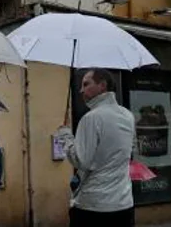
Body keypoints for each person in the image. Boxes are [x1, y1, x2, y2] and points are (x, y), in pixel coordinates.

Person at [63, 68, 135, 227]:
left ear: (102, 86)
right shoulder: (128, 116)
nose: (81, 90)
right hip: (123, 203)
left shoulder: (91, 118)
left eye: (86, 84)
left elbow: (82, 161)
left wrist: (67, 139)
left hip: (93, 206)